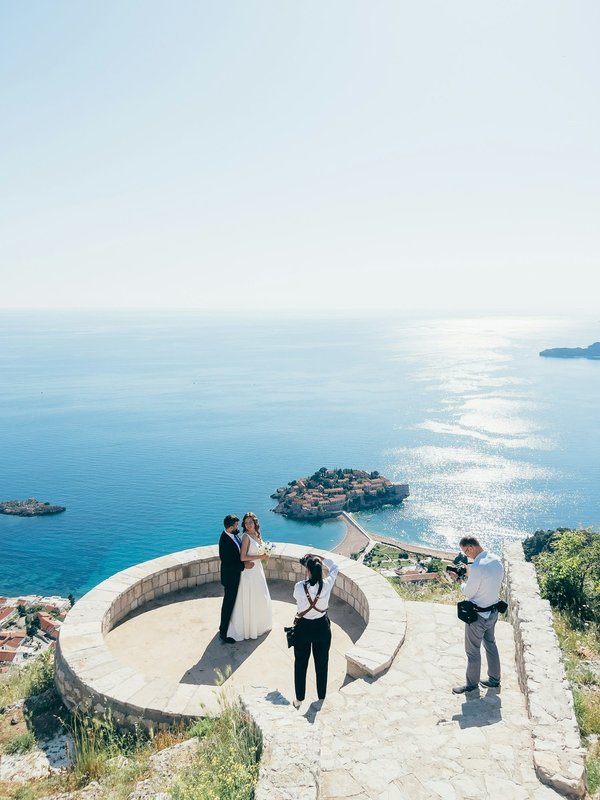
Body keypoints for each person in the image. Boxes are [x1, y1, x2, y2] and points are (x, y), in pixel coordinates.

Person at [450, 536, 504, 694]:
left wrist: (460, 581)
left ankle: (471, 686)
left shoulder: (478, 567)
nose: (467, 556)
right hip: (493, 612)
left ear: (470, 547)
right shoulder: (496, 560)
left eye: (466, 552)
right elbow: (488, 584)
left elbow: (469, 593)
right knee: (491, 645)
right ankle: (494, 680)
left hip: (478, 616)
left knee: (473, 651)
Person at [292, 553, 339, 709]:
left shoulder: (299, 587)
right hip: (321, 628)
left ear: (309, 571)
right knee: (322, 663)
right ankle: (321, 697)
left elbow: (297, 599)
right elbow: (335, 567)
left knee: (300, 663)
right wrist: (320, 557)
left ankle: (299, 699)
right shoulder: (327, 584)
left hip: (303, 628)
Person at [227, 512, 272, 641]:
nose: (248, 525)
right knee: (251, 597)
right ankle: (247, 628)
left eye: (250, 522)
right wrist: (261, 557)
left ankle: (258, 625)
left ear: (255, 523)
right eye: (246, 523)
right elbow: (243, 557)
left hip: (258, 570)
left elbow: (261, 549)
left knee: (260, 596)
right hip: (249, 572)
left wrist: (265, 555)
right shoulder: (246, 537)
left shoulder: (257, 534)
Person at [218, 514, 254, 644]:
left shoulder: (234, 535)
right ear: (230, 527)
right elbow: (227, 562)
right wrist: (244, 565)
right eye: (236, 525)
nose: (238, 527)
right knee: (228, 604)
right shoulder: (224, 541)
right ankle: (223, 632)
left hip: (237, 575)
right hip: (230, 578)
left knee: (233, 603)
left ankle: (231, 625)